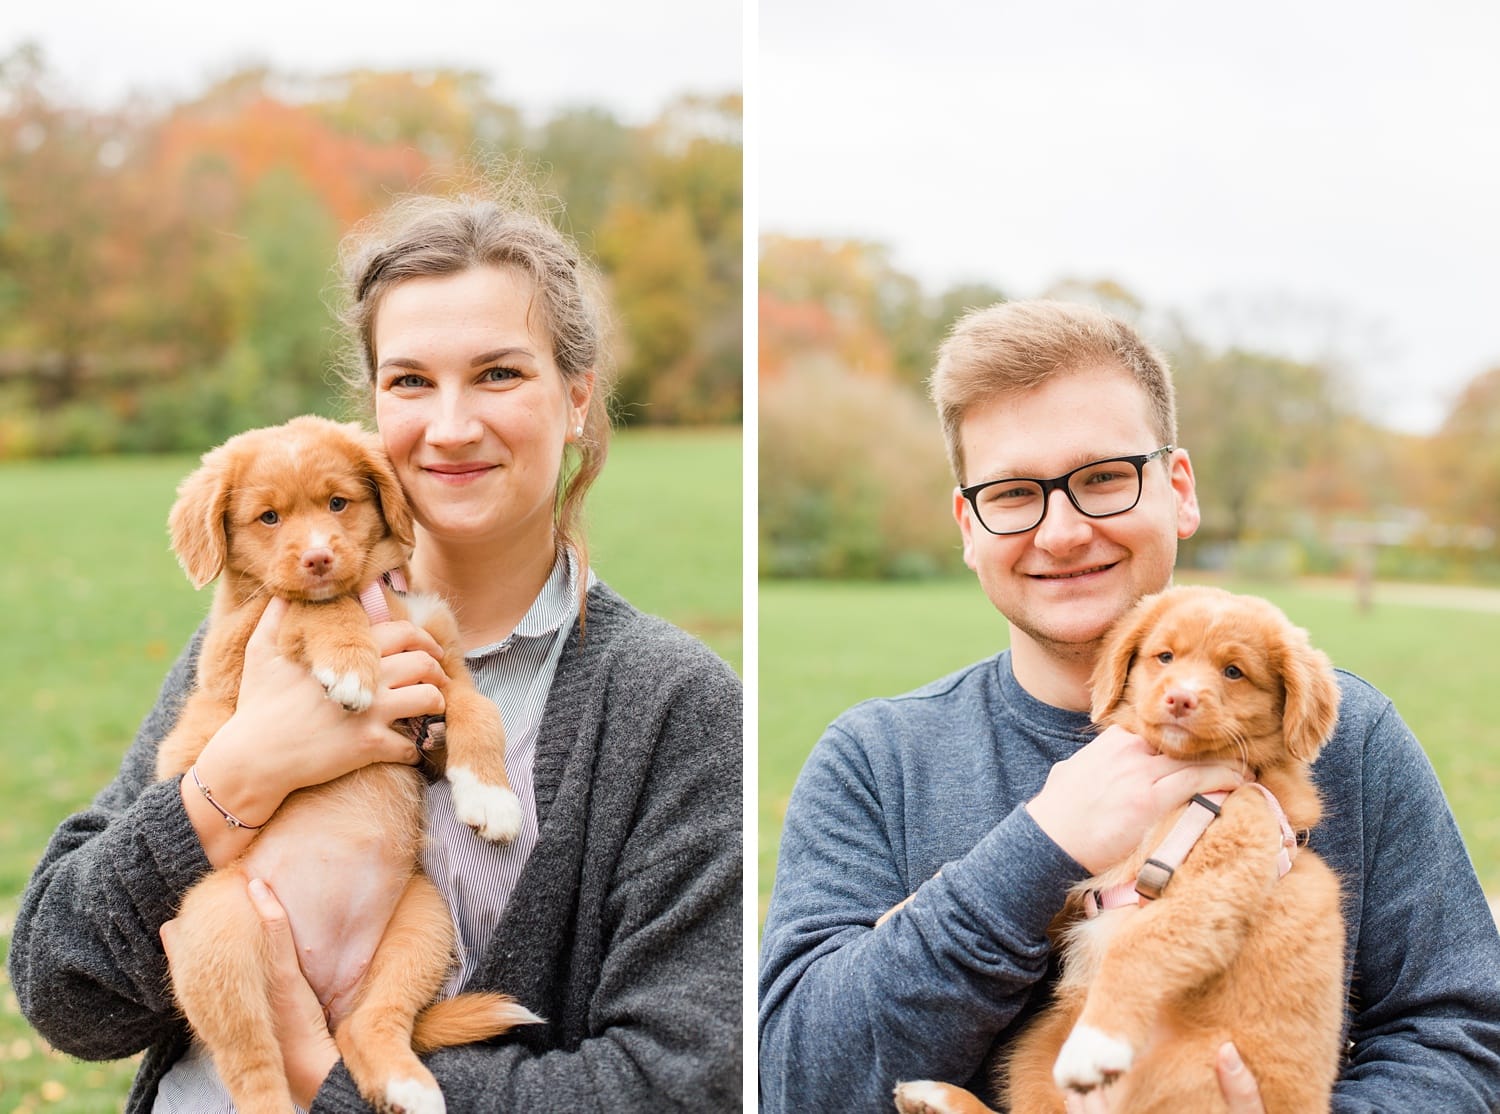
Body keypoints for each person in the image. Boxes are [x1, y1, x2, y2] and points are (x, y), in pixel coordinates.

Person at [8, 190, 743, 1112]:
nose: (450, 426)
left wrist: (332, 1086)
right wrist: (236, 780)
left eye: (500, 374)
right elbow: (65, 993)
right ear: (370, 412)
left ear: (578, 398)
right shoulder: (265, 630)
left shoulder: (671, 704)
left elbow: (681, 1084)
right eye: (408, 382)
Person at [758, 299, 1500, 1112]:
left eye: (1104, 478)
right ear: (968, 526)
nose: (1065, 531)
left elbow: (1462, 1034)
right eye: (1012, 493)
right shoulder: (877, 760)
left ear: (1178, 489)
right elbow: (796, 1080)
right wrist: (1038, 851)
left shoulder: (1341, 736)